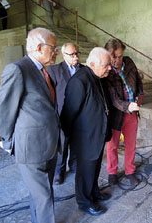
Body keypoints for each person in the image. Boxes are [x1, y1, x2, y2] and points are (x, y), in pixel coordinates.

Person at [0, 27, 59, 223]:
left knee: (41, 195)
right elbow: (5, 111)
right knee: (45, 199)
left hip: (48, 145)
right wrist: (8, 143)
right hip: (30, 148)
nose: (56, 52)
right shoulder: (18, 70)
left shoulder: (44, 71)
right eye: (54, 48)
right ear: (39, 47)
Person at [60, 47, 112, 216]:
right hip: (84, 139)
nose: (109, 68)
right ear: (92, 64)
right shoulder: (79, 81)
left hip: (97, 135)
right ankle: (84, 201)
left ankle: (94, 192)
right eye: (106, 65)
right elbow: (68, 113)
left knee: (95, 168)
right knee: (84, 171)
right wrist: (72, 140)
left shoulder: (98, 77)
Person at [104, 38, 143, 186]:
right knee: (112, 145)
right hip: (115, 114)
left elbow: (138, 80)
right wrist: (127, 106)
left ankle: (130, 171)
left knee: (131, 144)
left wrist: (140, 94)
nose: (117, 60)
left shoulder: (129, 62)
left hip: (131, 113)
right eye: (113, 57)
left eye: (119, 56)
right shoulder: (106, 70)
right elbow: (113, 97)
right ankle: (112, 172)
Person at [47, 43, 83, 185]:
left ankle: (74, 165)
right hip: (63, 114)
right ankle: (59, 171)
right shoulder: (55, 70)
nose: (75, 56)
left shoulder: (83, 70)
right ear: (64, 55)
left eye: (77, 53)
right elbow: (51, 94)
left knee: (76, 143)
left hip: (80, 115)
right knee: (62, 144)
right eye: (72, 54)